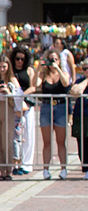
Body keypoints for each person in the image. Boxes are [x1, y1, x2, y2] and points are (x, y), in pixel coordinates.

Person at [34, 49, 71, 180]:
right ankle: (45, 170)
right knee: (47, 142)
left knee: (61, 141)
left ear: (59, 60)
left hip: (60, 107)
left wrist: (58, 69)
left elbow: (66, 83)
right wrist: (39, 69)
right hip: (46, 107)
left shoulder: (63, 72)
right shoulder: (44, 75)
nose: (52, 62)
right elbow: (35, 85)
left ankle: (63, 169)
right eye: (50, 59)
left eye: (55, 59)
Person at [10, 45, 36, 175]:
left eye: (22, 59)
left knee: (28, 135)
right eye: (17, 58)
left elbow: (33, 87)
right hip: (14, 107)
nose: (19, 61)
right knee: (14, 136)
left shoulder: (29, 70)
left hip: (28, 105)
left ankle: (27, 163)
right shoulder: (11, 71)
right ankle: (14, 163)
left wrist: (22, 96)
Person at [70, 60, 88, 179]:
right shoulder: (80, 81)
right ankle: (86, 168)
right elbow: (76, 91)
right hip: (81, 115)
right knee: (82, 143)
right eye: (85, 69)